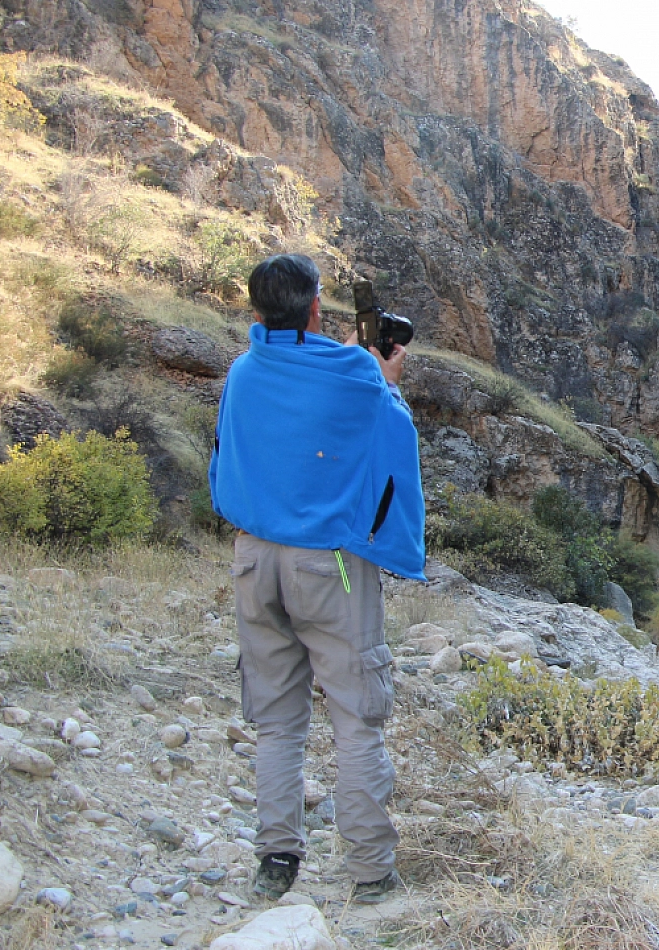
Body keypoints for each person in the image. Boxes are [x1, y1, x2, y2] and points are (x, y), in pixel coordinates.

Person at [210, 254, 424, 905]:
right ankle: (370, 874)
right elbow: (393, 431)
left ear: (255, 313)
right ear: (313, 309)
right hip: (328, 565)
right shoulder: (357, 373)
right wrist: (387, 378)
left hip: (254, 560)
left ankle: (275, 860)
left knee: (277, 720)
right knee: (358, 718)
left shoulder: (244, 372)